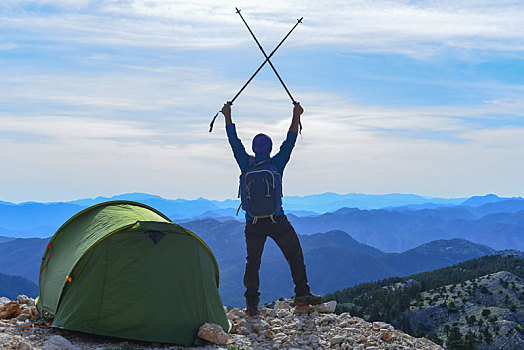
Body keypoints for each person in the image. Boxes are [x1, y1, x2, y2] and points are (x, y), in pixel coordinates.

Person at [221, 101, 322, 316]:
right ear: (270, 149)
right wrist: (296, 114)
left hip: (252, 222)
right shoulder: (277, 163)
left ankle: (251, 305)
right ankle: (302, 294)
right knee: (294, 254)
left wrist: (227, 115)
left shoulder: (245, 163)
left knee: (253, 262)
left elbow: (234, 142)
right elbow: (290, 141)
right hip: (277, 220)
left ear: (254, 149)